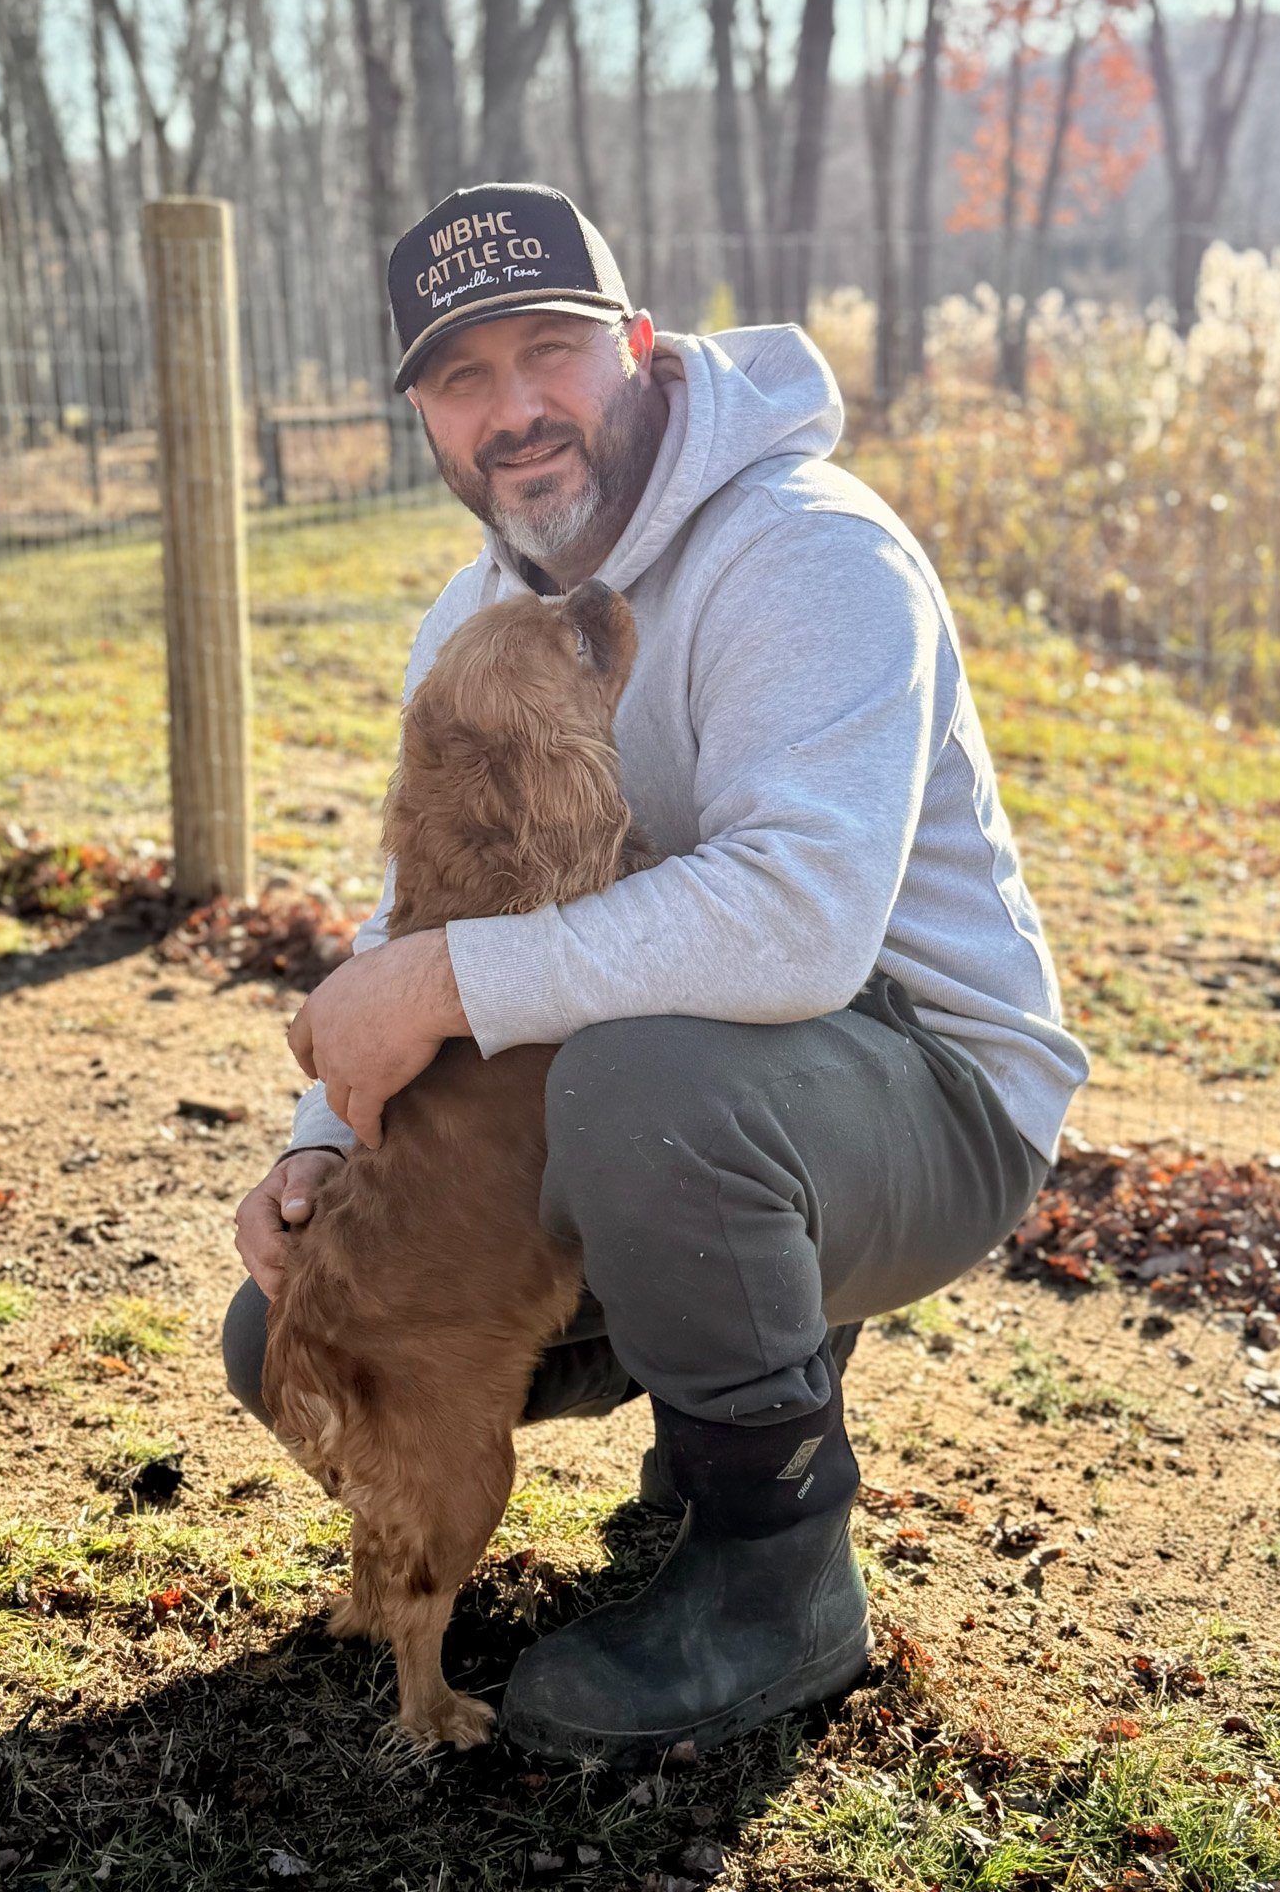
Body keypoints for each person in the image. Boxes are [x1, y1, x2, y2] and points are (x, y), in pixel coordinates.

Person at [223, 181, 1089, 1763]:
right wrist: (324, 1152)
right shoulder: (471, 617)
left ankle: (777, 1578)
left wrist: (447, 987)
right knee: (296, 1330)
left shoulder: (809, 552)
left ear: (635, 347)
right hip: (693, 1103)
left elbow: (801, 923)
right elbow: (424, 911)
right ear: (421, 412)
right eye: (462, 377)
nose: (515, 410)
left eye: (549, 351)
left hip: (924, 1092)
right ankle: (716, 1398)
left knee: (647, 1083)